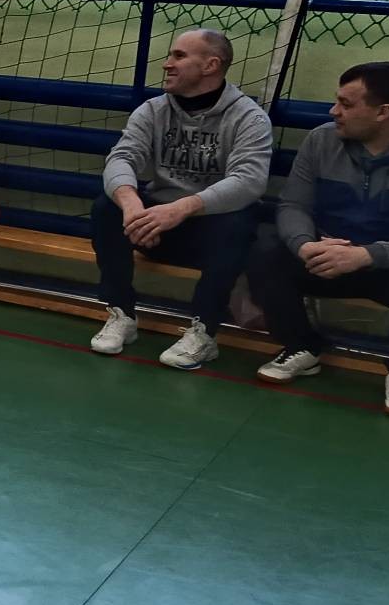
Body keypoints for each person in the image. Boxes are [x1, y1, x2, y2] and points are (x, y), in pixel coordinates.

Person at [245, 61, 389, 418]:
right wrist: (305, 245)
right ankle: (302, 346)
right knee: (266, 250)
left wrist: (368, 255)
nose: (333, 111)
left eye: (346, 104)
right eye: (336, 101)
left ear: (384, 112)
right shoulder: (321, 140)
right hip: (326, 258)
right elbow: (293, 205)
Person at [87, 28, 272, 369]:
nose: (167, 64)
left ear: (211, 65)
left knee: (240, 222)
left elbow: (249, 181)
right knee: (106, 207)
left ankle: (204, 332)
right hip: (154, 228)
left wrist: (182, 208)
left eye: (179, 56)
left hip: (209, 232)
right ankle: (121, 313)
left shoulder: (249, 117)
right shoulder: (152, 110)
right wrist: (131, 204)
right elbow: (122, 157)